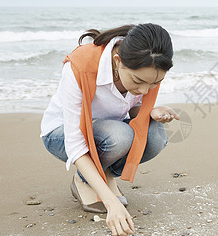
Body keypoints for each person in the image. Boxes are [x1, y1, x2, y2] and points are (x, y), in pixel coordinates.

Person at [40, 23, 179, 236]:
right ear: (117, 61)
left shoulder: (150, 68)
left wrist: (148, 111)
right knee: (119, 136)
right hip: (61, 134)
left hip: (106, 133)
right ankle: (84, 180)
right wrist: (111, 203)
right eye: (138, 81)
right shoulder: (80, 66)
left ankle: (103, 175)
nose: (144, 89)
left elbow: (128, 105)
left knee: (156, 135)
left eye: (153, 84)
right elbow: (74, 142)